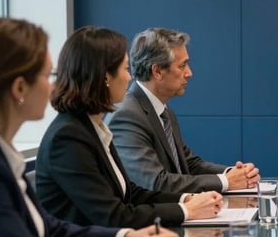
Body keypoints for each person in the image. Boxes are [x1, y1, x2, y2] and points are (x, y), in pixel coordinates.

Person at [0, 18, 179, 237]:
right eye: (47, 75)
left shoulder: (0, 154)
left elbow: (51, 229)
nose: (53, 84)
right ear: (19, 87)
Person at [36, 26, 222, 228]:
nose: (129, 77)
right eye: (124, 69)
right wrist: (187, 211)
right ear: (105, 76)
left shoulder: (91, 126)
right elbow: (114, 216)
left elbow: (131, 193)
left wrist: (185, 200)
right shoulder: (68, 137)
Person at [108, 27, 260, 194]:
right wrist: (225, 181)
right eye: (182, 66)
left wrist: (232, 173)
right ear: (157, 71)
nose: (189, 73)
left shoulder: (163, 111)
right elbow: (155, 182)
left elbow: (188, 163)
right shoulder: (126, 116)